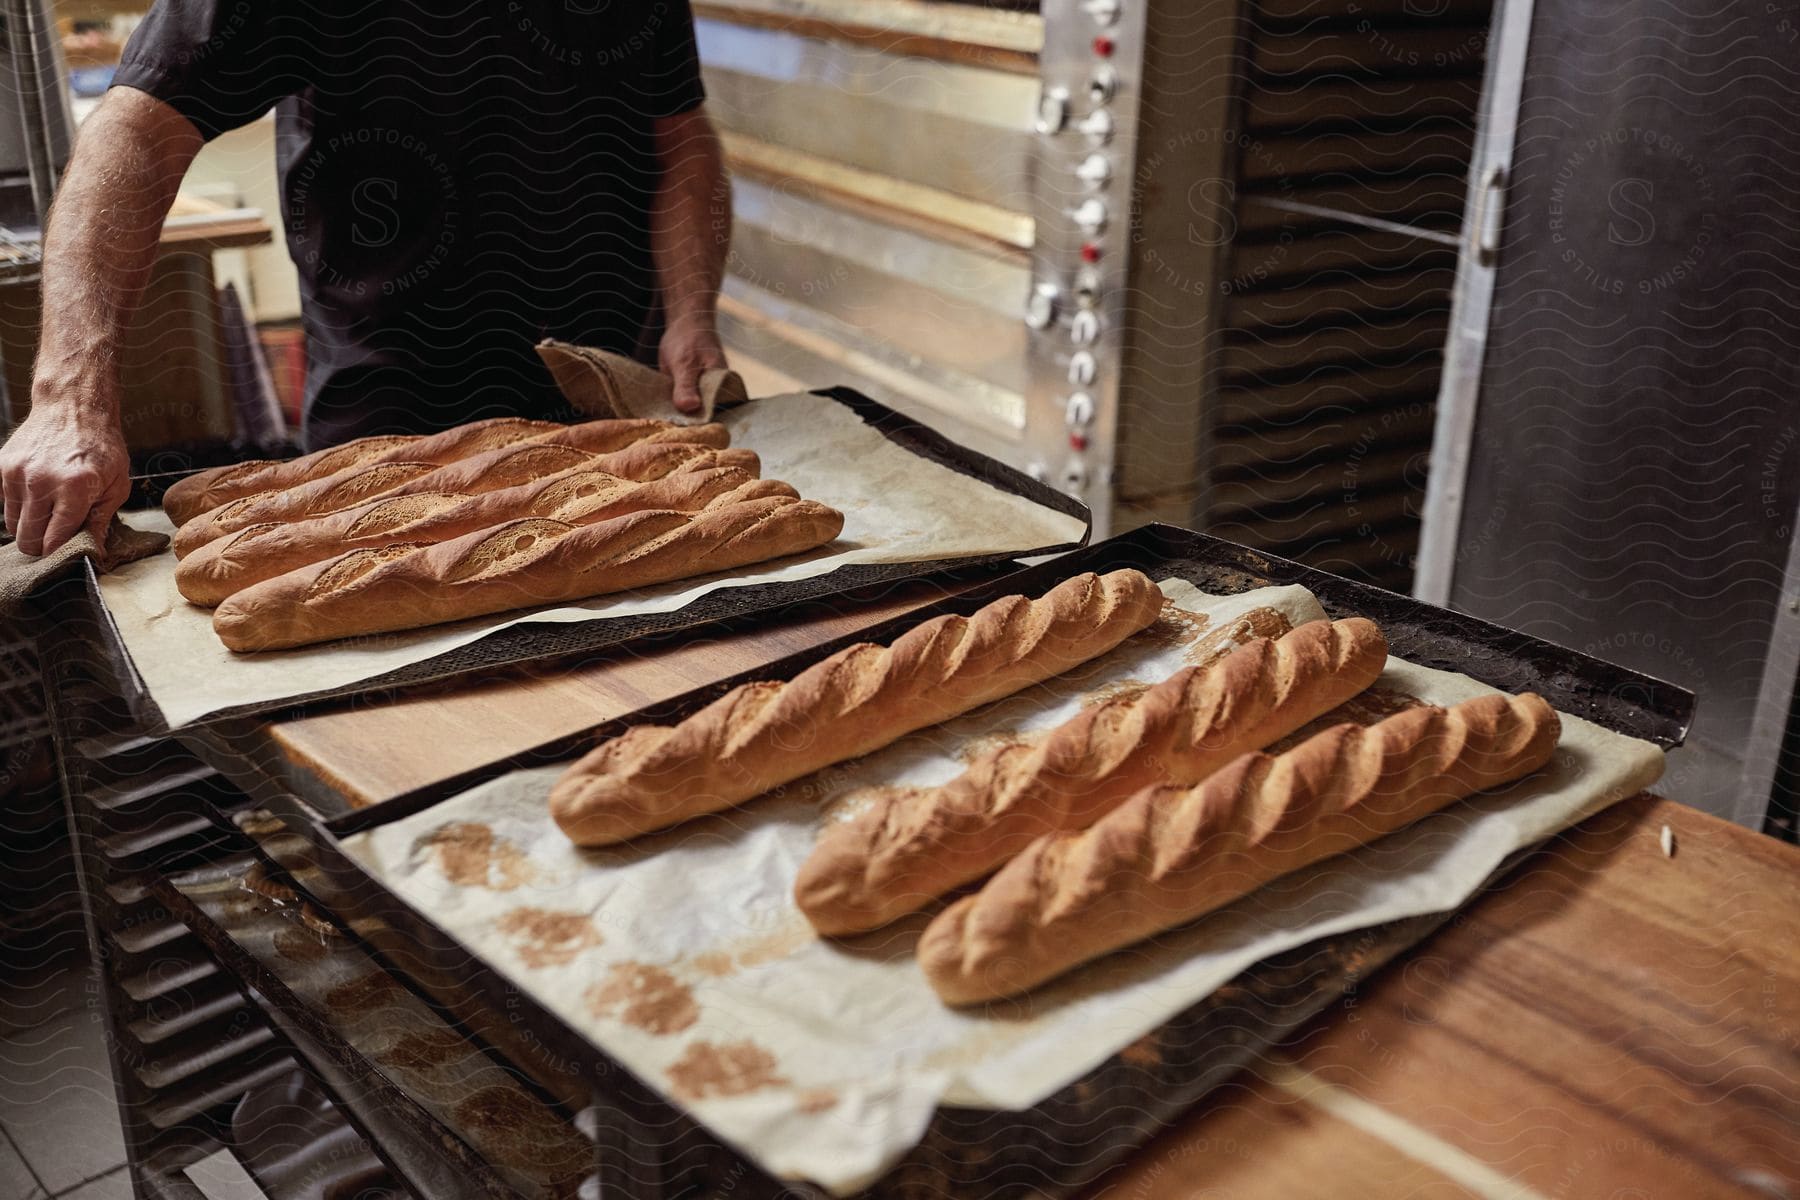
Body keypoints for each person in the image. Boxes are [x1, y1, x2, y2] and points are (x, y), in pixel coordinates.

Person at [0, 0, 729, 557]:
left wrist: (692, 315)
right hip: (391, 415)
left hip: (615, 398)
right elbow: (137, 132)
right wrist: (69, 397)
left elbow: (681, 137)